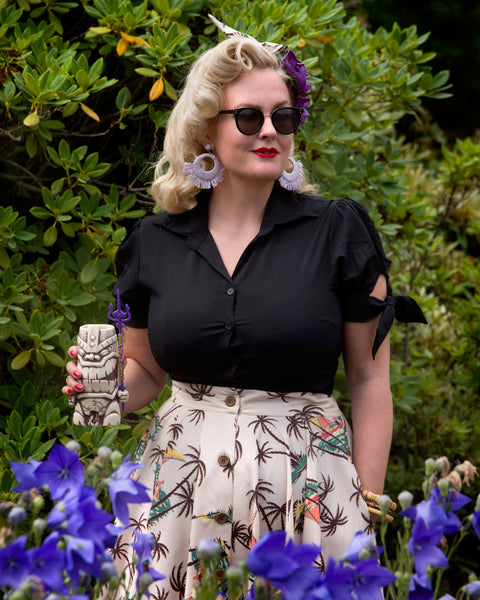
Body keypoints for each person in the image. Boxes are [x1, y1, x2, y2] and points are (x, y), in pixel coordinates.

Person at [63, 21, 426, 600]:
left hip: (309, 491)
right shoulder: (154, 242)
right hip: (178, 489)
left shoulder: (339, 232)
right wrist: (99, 390)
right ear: (207, 128)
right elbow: (147, 370)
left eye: (283, 117)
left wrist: (363, 503)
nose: (270, 131)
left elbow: (368, 378)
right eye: (249, 117)